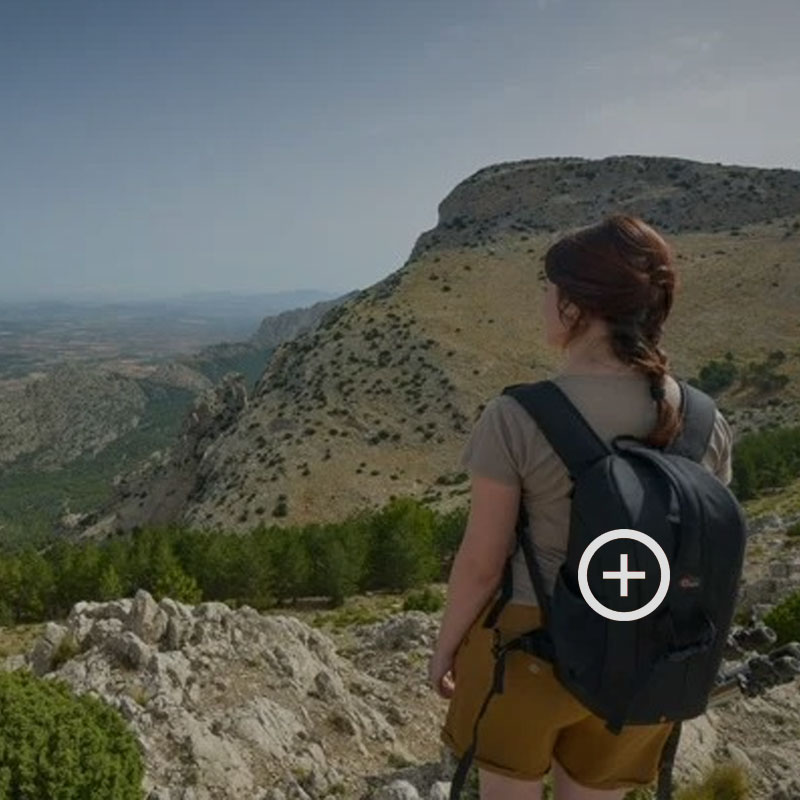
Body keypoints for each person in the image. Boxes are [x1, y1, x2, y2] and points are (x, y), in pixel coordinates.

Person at [429, 214, 734, 800]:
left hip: (524, 648)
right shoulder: (705, 420)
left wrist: (445, 649)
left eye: (548, 290)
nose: (542, 303)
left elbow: (482, 563)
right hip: (647, 649)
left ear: (574, 306)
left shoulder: (517, 417)